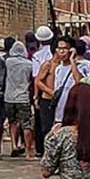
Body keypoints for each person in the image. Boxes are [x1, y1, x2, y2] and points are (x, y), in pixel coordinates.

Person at [3, 40, 35, 159]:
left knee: (13, 123)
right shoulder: (29, 64)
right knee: (26, 124)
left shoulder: (8, 62)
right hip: (23, 97)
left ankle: (14, 146)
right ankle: (28, 151)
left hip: (9, 97)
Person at [31, 26, 55, 156]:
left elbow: (36, 77)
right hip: (55, 90)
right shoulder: (55, 54)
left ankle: (42, 149)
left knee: (42, 122)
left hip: (44, 92)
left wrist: (35, 96)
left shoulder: (37, 56)